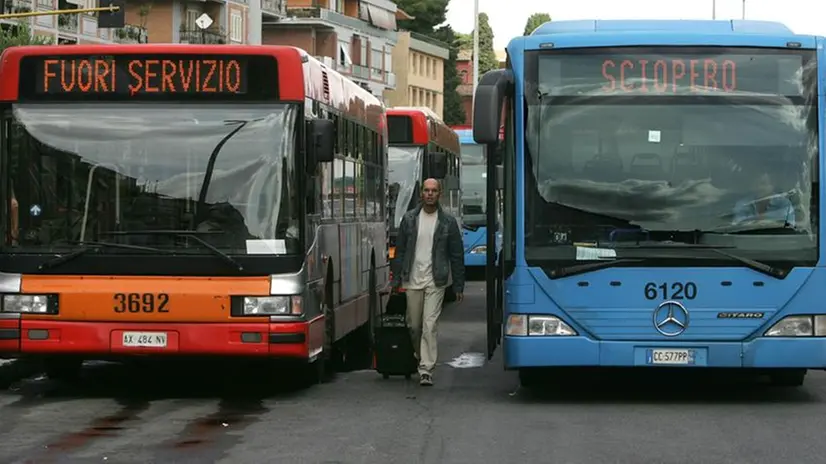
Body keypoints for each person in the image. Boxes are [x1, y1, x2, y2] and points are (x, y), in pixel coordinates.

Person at [391, 178, 465, 386]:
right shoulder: (409, 219)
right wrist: (396, 279)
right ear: (421, 194)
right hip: (412, 280)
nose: (430, 194)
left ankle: (426, 369)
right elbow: (401, 251)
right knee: (414, 325)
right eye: (426, 190)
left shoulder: (448, 222)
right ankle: (420, 355)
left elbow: (457, 255)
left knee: (429, 324)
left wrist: (458, 284)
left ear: (439, 194)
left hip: (437, 279)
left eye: (434, 190)